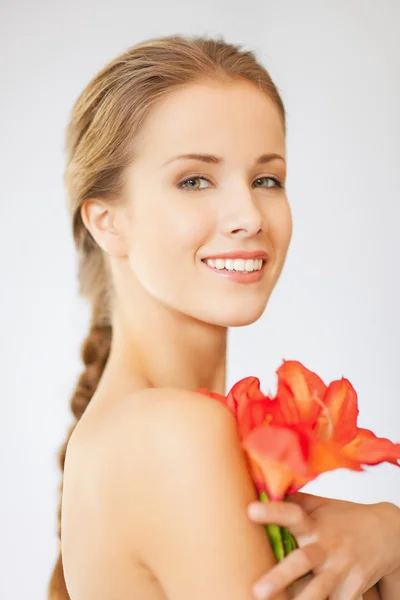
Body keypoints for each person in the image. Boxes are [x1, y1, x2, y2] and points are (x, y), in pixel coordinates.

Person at [48, 34, 400, 600]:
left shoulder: (141, 428)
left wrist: (388, 531)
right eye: (194, 180)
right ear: (107, 221)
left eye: (267, 179)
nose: (248, 215)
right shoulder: (174, 432)